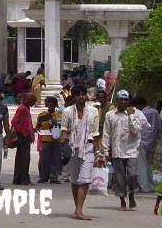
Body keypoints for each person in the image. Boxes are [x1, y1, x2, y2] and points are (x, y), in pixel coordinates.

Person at [102, 89, 149, 211]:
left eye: (125, 99)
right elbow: (107, 134)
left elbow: (137, 130)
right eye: (121, 99)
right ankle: (122, 200)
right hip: (117, 151)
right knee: (119, 177)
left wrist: (131, 115)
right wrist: (105, 152)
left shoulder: (137, 113)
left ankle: (132, 193)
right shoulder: (110, 115)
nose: (123, 102)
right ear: (117, 100)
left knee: (133, 174)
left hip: (132, 150)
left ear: (129, 100)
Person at [61, 84, 101, 221]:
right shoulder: (67, 111)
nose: (81, 97)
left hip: (88, 148)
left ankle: (79, 210)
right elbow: (64, 129)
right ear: (74, 96)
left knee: (84, 179)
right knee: (75, 180)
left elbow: (95, 133)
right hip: (73, 148)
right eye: (78, 95)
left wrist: (99, 152)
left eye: (83, 94)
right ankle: (77, 208)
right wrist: (63, 139)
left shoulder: (94, 111)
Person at [134, 95, 162, 193]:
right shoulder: (155, 112)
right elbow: (159, 127)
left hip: (141, 141)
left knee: (141, 165)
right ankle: (151, 185)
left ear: (139, 104)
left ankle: (144, 186)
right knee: (148, 165)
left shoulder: (142, 113)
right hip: (151, 141)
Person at [36, 95, 63, 183]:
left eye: (52, 105)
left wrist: (55, 123)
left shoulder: (59, 116)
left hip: (56, 140)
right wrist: (40, 123)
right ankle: (43, 176)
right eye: (49, 105)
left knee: (55, 159)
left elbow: (62, 127)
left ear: (55, 105)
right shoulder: (42, 115)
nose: (51, 107)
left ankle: (53, 177)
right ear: (47, 105)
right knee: (44, 159)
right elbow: (38, 126)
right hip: (45, 139)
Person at [11, 92, 36, 185]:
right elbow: (14, 121)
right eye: (33, 101)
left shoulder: (25, 108)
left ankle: (17, 179)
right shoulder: (23, 109)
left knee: (20, 158)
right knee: (24, 158)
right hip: (23, 137)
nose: (33, 103)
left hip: (25, 135)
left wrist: (32, 130)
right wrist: (23, 132)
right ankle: (24, 179)